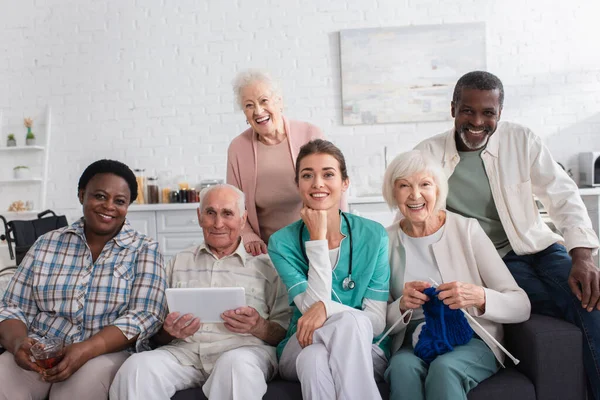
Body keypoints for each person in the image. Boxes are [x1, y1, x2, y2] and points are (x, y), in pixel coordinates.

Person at [416, 70, 600, 399]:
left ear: (500, 113)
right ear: (453, 109)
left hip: (538, 247)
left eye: (488, 113)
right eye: (467, 110)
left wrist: (583, 256)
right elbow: (415, 213)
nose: (477, 121)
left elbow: (562, 195)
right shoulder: (427, 155)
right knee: (559, 302)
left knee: (592, 297)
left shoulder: (521, 140)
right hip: (492, 261)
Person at [0, 159, 167, 400]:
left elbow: (146, 314)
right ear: (82, 195)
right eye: (100, 196)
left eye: (119, 201)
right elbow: (12, 306)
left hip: (105, 354)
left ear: (128, 206)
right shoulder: (47, 244)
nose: (109, 206)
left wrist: (87, 349)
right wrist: (18, 344)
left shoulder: (145, 249)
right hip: (40, 351)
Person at [110, 184, 291, 400]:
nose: (218, 223)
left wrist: (259, 326)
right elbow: (156, 333)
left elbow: (285, 333)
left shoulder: (267, 266)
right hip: (184, 354)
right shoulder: (178, 262)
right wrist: (169, 332)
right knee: (137, 368)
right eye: (210, 213)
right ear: (199, 216)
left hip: (243, 352)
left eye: (227, 214)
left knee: (235, 367)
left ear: (243, 219)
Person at [381, 150, 530, 400]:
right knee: (401, 368)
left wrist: (479, 297)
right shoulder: (383, 240)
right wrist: (401, 305)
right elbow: (375, 317)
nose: (415, 195)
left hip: (471, 335)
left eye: (425, 184)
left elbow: (521, 304)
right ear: (393, 193)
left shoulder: (467, 230)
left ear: (437, 190)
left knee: (444, 368)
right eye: (404, 185)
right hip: (414, 340)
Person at [268, 139, 390, 400]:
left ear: (345, 183)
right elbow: (311, 311)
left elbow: (378, 322)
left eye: (328, 174)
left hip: (365, 345)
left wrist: (329, 308)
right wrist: (317, 239)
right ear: (298, 184)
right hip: (300, 342)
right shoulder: (281, 243)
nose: (318, 184)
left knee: (317, 358)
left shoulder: (374, 235)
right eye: (307, 175)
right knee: (347, 321)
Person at [227, 69, 347, 256]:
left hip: (314, 241)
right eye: (249, 105)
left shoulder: (310, 134)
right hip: (265, 250)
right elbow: (232, 204)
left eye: (264, 101)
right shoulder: (238, 148)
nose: (258, 111)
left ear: (279, 101)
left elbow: (335, 189)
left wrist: (341, 234)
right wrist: (248, 235)